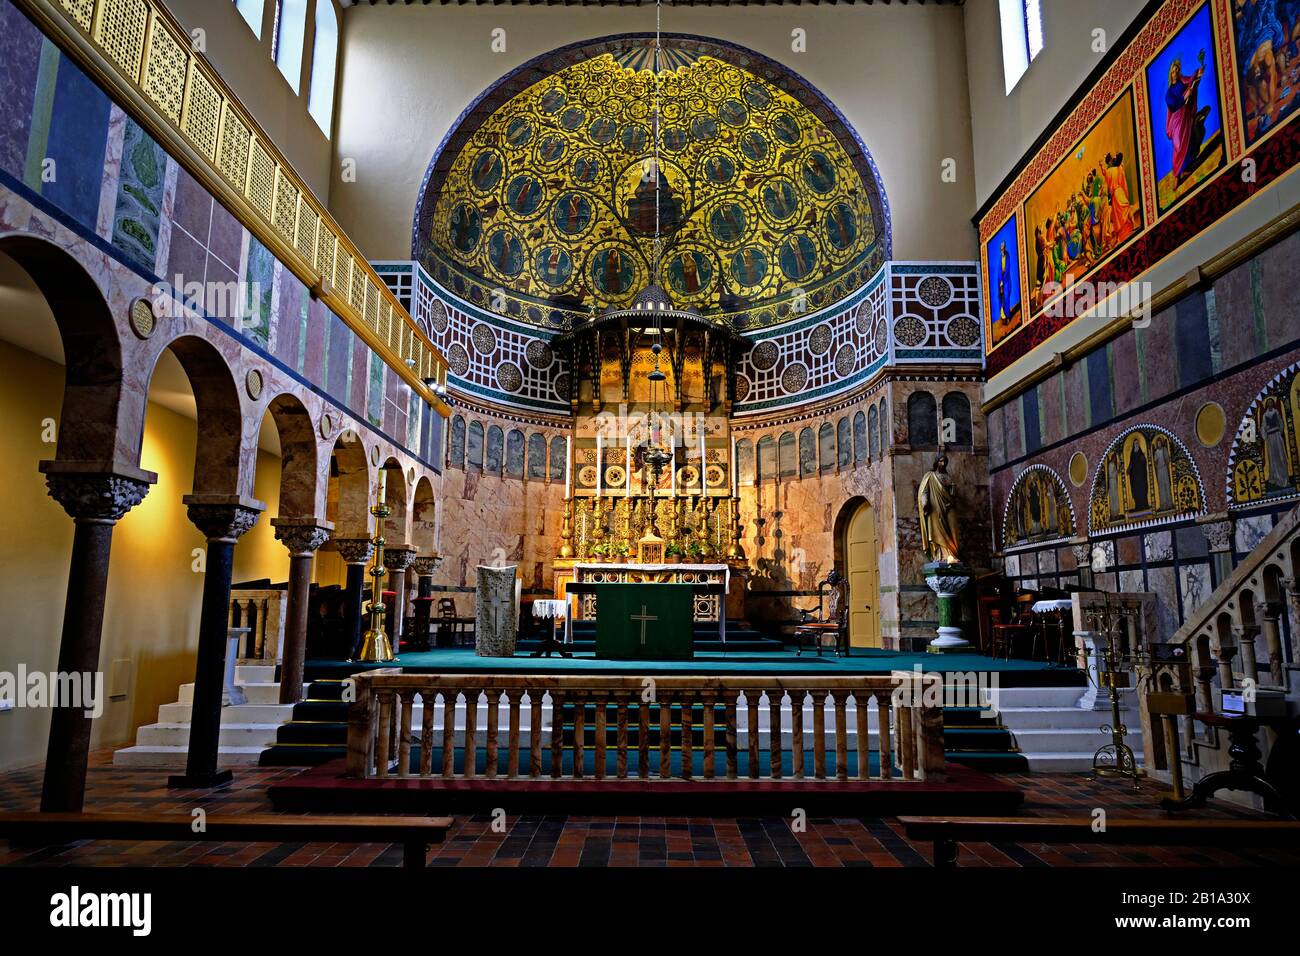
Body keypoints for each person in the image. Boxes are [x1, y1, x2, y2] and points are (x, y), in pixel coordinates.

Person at [918, 454, 961, 565]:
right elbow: (924, 491)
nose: (943, 464)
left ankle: (953, 553)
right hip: (935, 507)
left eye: (945, 462)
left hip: (949, 506)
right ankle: (941, 555)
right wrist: (925, 503)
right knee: (938, 529)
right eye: (941, 461)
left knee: (953, 530)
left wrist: (953, 490)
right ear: (936, 462)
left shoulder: (948, 477)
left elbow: (952, 495)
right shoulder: (930, 476)